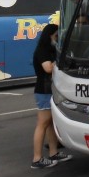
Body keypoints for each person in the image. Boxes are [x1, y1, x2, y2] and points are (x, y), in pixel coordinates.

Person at [31, 24, 72, 169]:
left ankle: (54, 152)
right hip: (43, 90)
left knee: (50, 123)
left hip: (49, 89)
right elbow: (47, 68)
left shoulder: (49, 48)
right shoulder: (42, 50)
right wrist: (59, 60)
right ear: (50, 35)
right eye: (56, 36)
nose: (57, 38)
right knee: (43, 123)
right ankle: (37, 159)